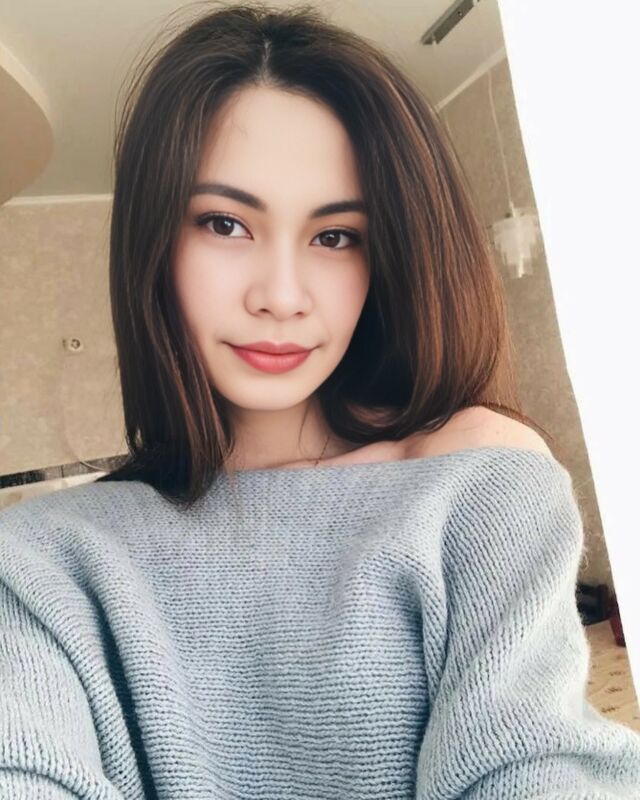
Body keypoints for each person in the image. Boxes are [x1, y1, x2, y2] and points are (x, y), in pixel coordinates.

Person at [1, 2, 639, 797]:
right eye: (225, 223)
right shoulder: (41, 561)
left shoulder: (476, 482)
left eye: (335, 236)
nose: (281, 295)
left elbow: (534, 762)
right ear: (154, 240)